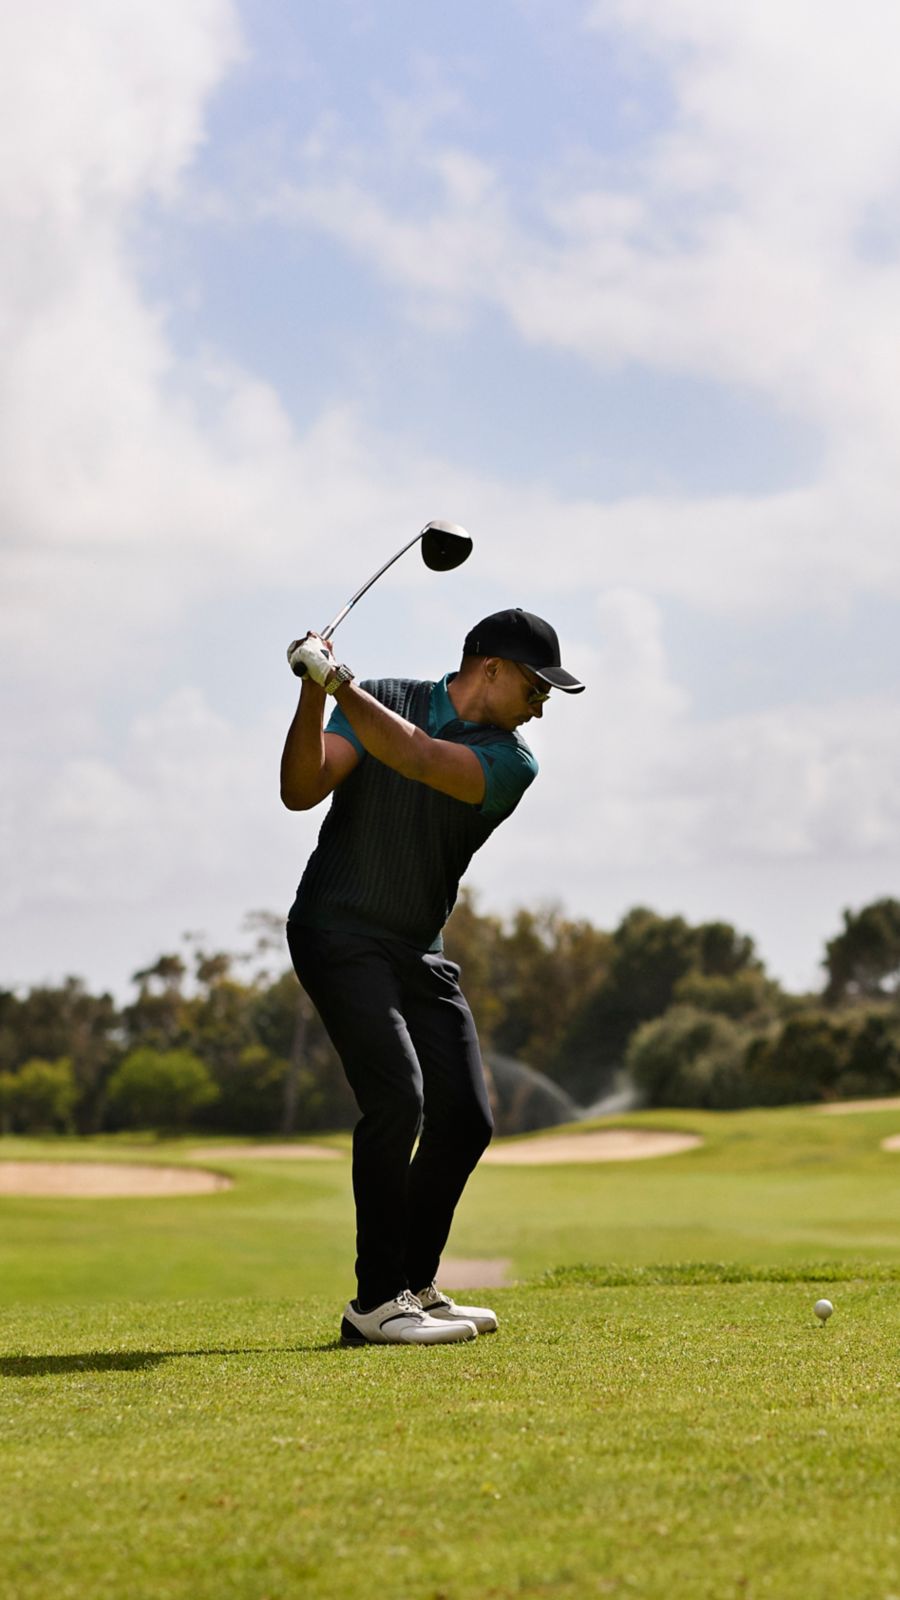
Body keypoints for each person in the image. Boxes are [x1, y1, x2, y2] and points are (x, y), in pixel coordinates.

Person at [280, 607, 585, 1345]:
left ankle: (412, 1285)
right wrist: (314, 692)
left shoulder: (512, 761)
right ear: (493, 669)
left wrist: (338, 681)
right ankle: (376, 1303)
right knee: (397, 1097)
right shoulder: (384, 697)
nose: (541, 707)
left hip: (417, 948)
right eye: (536, 688)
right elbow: (301, 788)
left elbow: (417, 757)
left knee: (467, 1118)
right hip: (336, 930)